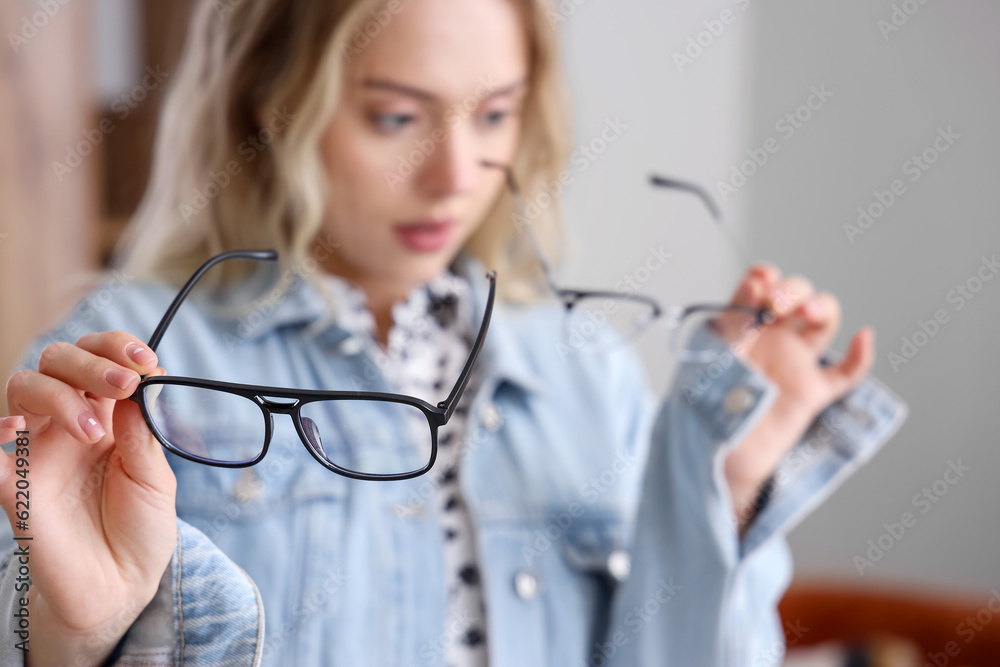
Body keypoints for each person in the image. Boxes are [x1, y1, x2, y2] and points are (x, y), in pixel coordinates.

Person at [0, 0, 908, 665]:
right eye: (396, 117)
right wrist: (69, 636)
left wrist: (730, 475)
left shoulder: (589, 374)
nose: (454, 174)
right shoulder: (138, 372)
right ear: (269, 106)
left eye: (496, 114)